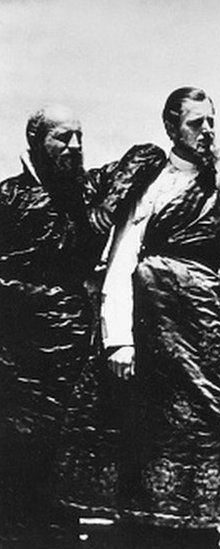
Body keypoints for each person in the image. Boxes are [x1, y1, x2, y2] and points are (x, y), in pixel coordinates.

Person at [86, 86, 220, 549]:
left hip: (205, 334)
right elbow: (123, 257)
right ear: (171, 128)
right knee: (152, 442)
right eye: (195, 123)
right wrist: (118, 339)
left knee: (206, 436)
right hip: (153, 333)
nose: (207, 132)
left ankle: (201, 533)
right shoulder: (153, 181)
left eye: (211, 121)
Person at [0, 105, 104, 548]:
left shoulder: (86, 195)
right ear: (35, 141)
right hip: (17, 355)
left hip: (71, 351)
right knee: (17, 461)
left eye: (80, 136)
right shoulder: (8, 197)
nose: (76, 147)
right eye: (63, 138)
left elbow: (146, 156)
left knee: (66, 457)